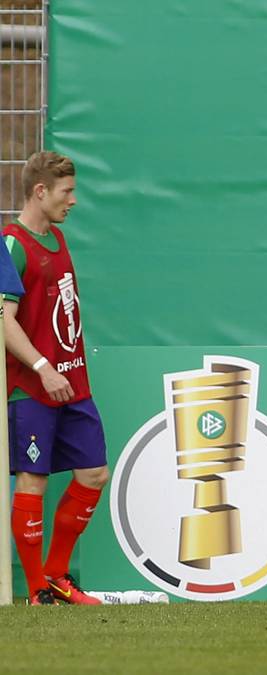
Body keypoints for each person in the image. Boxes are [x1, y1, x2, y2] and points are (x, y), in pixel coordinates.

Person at [5, 151, 110, 606]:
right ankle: (36, 592)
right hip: (32, 386)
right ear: (40, 191)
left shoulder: (58, 239)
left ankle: (57, 576)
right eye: (67, 192)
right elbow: (3, 319)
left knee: (94, 473)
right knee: (34, 480)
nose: (74, 200)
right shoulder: (11, 242)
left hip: (73, 382)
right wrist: (43, 368)